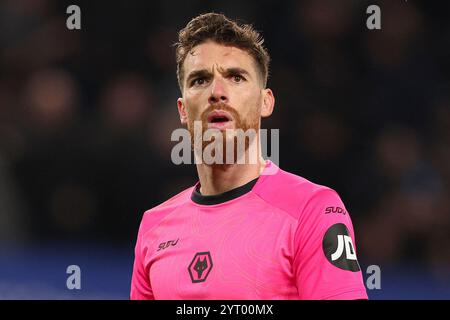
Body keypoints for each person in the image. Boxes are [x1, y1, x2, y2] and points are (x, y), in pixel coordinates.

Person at [130, 12, 368, 300]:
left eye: (236, 77)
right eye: (200, 80)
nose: (217, 92)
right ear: (182, 109)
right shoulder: (154, 226)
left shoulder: (313, 210)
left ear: (265, 102)